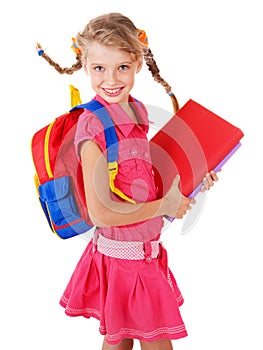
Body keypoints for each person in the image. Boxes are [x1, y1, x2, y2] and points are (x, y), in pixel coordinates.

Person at [37, 12, 218, 350]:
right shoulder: (92, 127)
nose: (110, 79)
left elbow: (141, 179)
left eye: (121, 66)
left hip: (142, 254)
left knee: (119, 342)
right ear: (85, 65)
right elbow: (102, 213)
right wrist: (165, 205)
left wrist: (194, 177)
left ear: (137, 62)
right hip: (125, 260)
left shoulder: (137, 112)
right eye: (99, 69)